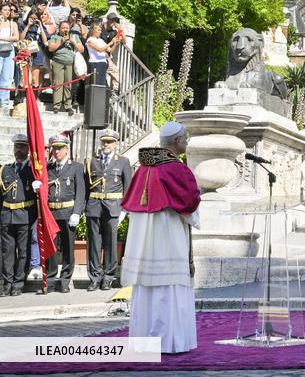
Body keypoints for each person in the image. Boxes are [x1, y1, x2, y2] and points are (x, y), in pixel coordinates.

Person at [121, 121, 201, 354]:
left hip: (144, 242)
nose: (187, 141)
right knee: (169, 288)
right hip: (168, 238)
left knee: (146, 288)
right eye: (185, 137)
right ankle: (170, 342)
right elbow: (189, 205)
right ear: (177, 141)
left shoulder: (143, 168)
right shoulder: (176, 169)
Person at [83, 128, 131, 291]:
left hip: (113, 207)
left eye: (110, 142)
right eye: (104, 141)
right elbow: (85, 188)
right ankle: (94, 277)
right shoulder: (91, 162)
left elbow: (128, 187)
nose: (106, 144)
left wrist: (125, 210)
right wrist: (82, 209)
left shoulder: (123, 162)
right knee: (93, 244)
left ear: (116, 144)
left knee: (111, 243)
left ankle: (108, 276)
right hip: (94, 205)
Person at [42, 134, 85, 294]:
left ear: (67, 149)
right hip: (52, 213)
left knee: (68, 248)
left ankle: (65, 280)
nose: (56, 151)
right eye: (54, 148)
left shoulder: (76, 167)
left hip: (68, 213)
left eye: (60, 148)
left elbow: (80, 192)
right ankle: (51, 280)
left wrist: (77, 213)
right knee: (51, 248)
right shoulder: (48, 168)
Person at [0, 133, 41, 296]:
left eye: (22, 146)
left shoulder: (33, 171)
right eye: (17, 146)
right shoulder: (5, 169)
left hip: (25, 215)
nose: (19, 150)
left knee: (23, 251)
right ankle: (7, 283)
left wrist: (40, 186)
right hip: (6, 215)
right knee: (7, 251)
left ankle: (18, 283)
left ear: (28, 149)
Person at [47, 20, 83, 113]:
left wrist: (73, 42)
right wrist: (61, 42)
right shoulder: (55, 37)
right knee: (57, 84)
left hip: (70, 63)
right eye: (63, 28)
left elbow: (81, 49)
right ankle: (57, 105)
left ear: (69, 28)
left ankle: (68, 105)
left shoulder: (74, 36)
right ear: (59, 28)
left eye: (67, 28)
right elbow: (50, 48)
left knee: (68, 84)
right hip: (57, 62)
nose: (65, 29)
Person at [85, 23, 119, 87]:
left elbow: (110, 50)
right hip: (95, 63)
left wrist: (115, 43)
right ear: (93, 31)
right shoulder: (90, 40)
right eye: (98, 30)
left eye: (100, 30)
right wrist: (111, 42)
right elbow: (100, 50)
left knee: (102, 84)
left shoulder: (101, 40)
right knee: (96, 83)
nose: (100, 32)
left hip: (103, 63)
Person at [0, 2, 19, 110]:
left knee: (7, 78)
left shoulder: (13, 24)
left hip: (8, 51)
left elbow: (16, 37)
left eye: (8, 10)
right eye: (5, 10)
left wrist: (3, 38)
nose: (7, 12)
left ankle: (4, 102)